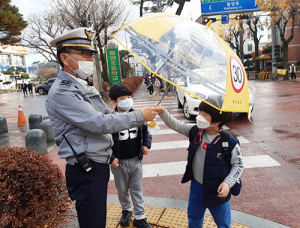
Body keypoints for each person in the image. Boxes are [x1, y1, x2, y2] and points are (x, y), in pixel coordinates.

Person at [46, 27, 158, 228]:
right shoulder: (63, 92)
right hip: (85, 167)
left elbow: (107, 115)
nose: (90, 60)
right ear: (64, 58)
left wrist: (135, 115)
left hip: (96, 164)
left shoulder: (82, 85)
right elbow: (98, 123)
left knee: (97, 218)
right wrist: (139, 116)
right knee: (93, 221)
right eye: (84, 54)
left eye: (91, 55)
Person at [154, 96, 244, 228]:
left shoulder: (229, 142)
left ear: (217, 121)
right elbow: (177, 125)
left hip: (218, 191)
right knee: (194, 219)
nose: (199, 116)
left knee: (223, 224)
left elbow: (239, 165)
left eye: (204, 114)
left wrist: (227, 183)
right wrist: (162, 112)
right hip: (197, 188)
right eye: (200, 112)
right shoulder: (196, 132)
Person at [109, 83, 152, 228]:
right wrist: (111, 157)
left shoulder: (139, 115)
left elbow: (146, 132)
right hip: (118, 162)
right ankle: (126, 210)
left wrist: (146, 145)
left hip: (136, 160)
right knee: (122, 189)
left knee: (137, 188)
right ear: (114, 102)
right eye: (122, 98)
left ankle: (140, 215)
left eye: (129, 97)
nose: (127, 100)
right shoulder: (109, 119)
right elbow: (105, 141)